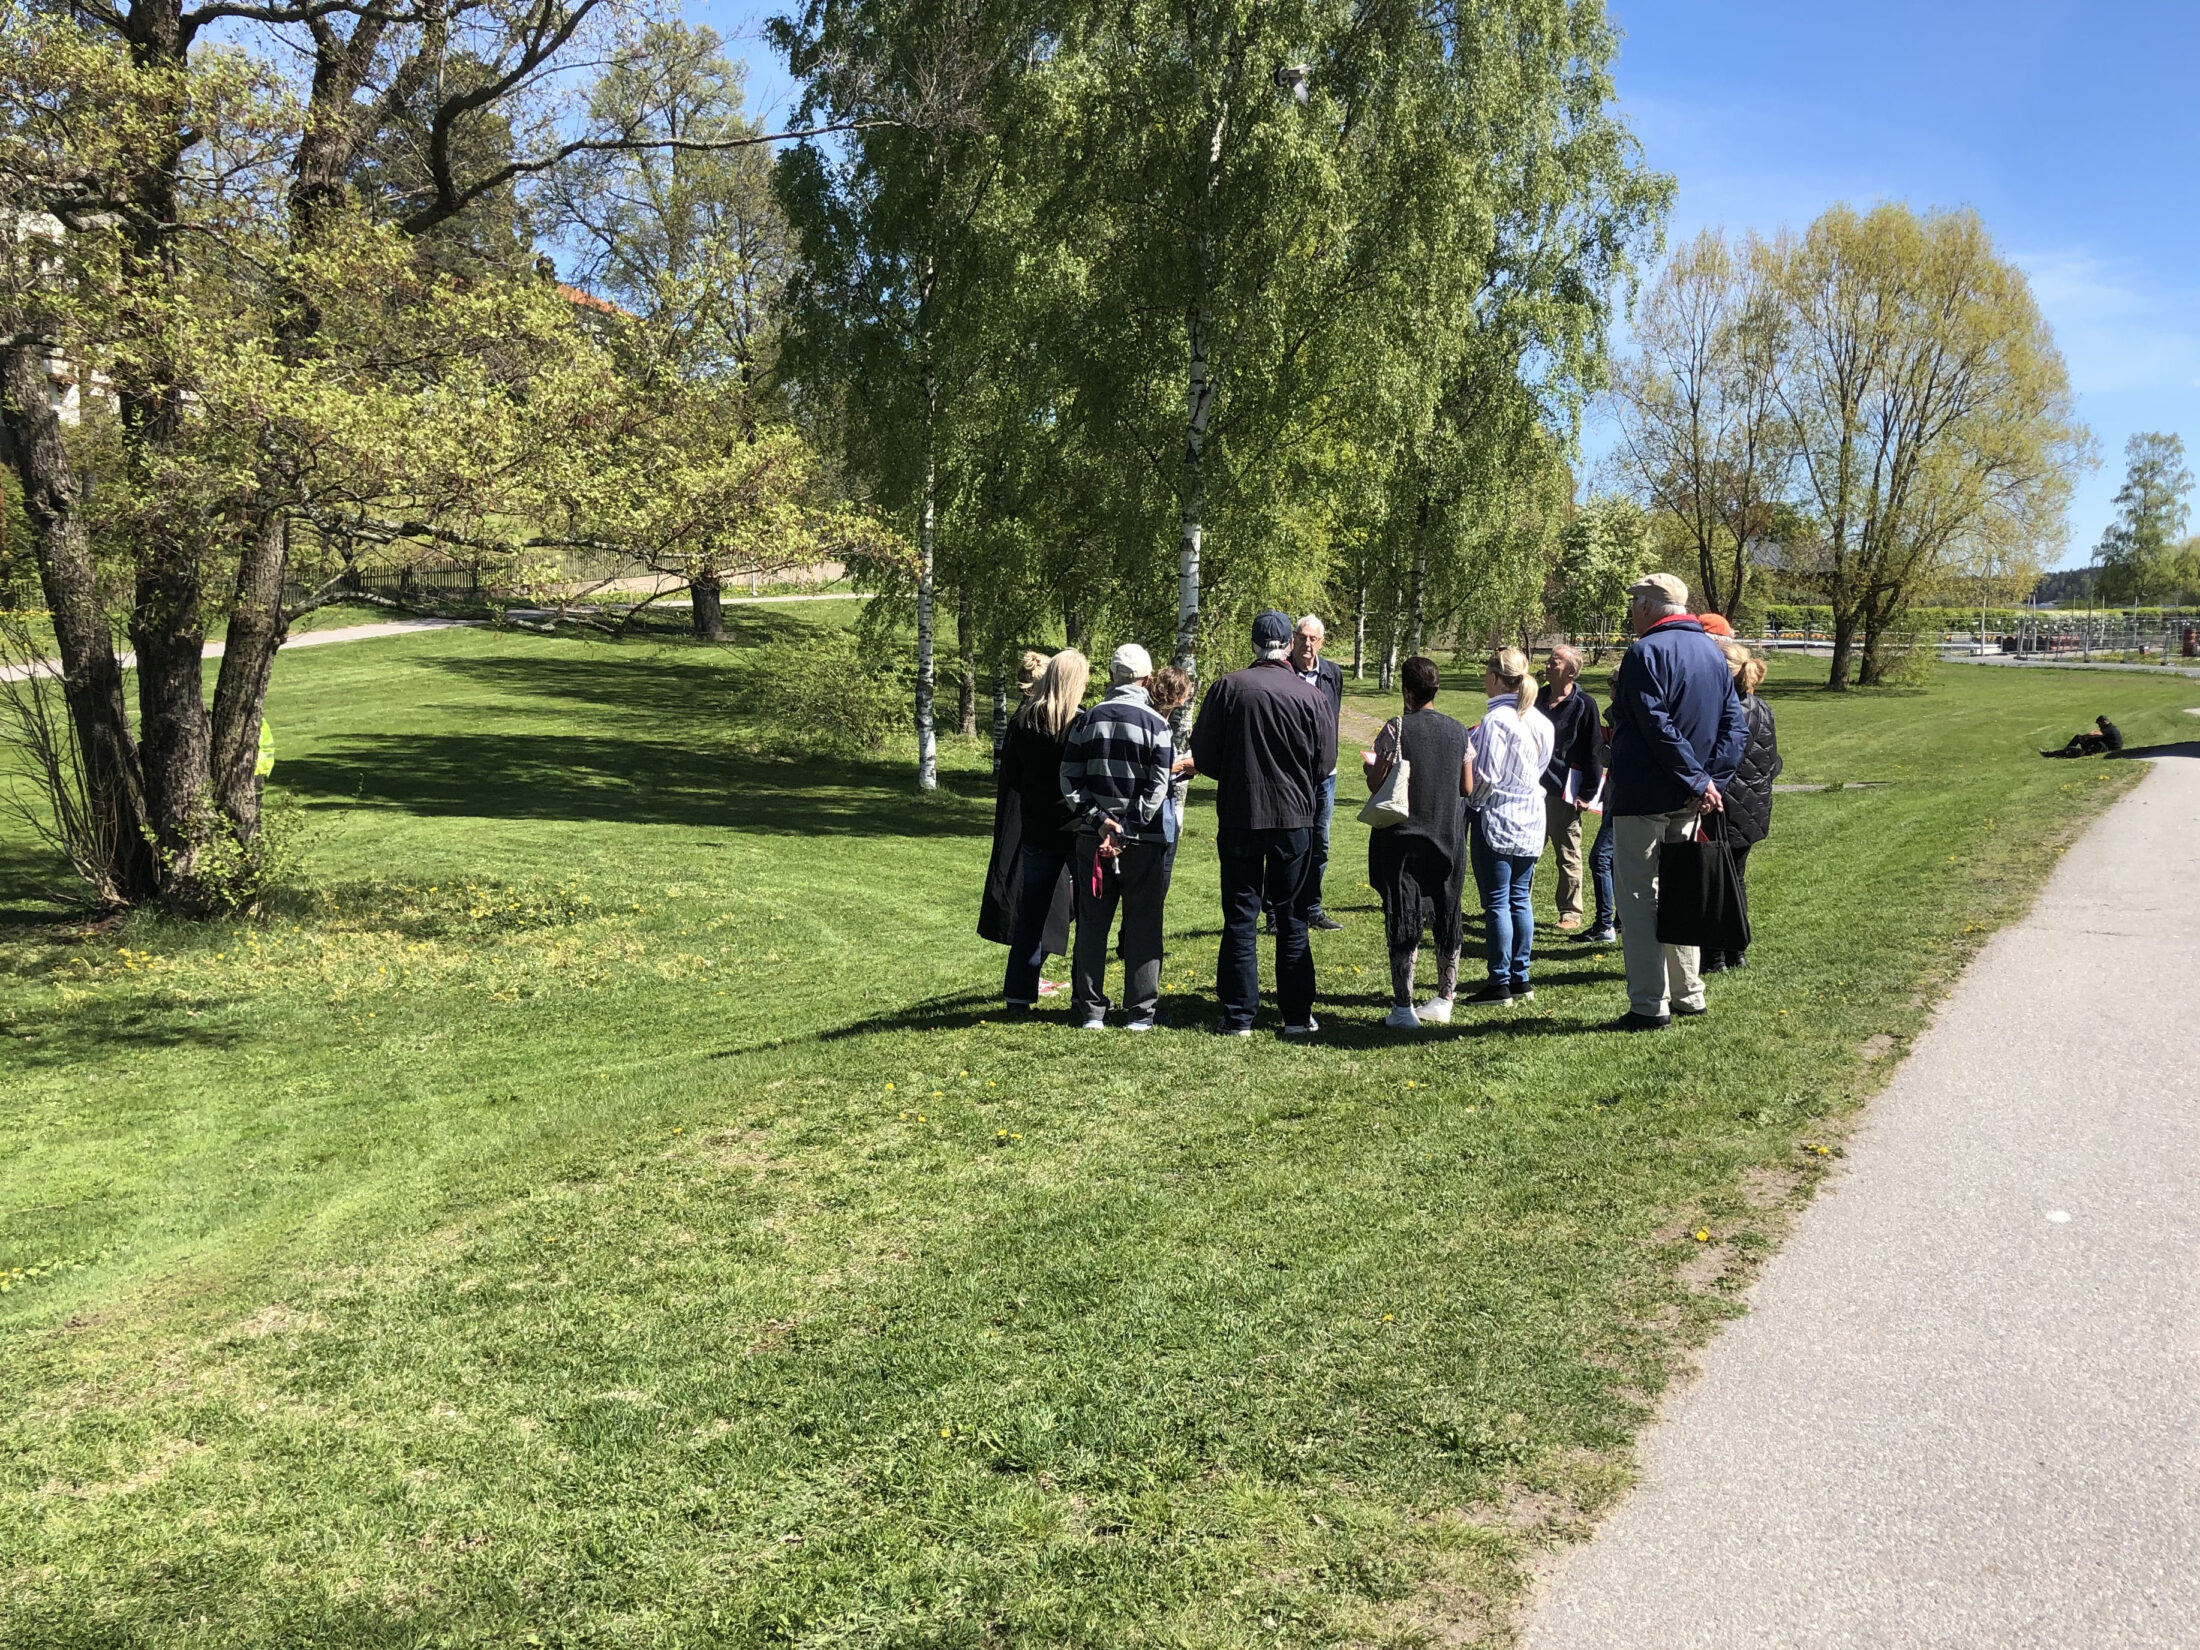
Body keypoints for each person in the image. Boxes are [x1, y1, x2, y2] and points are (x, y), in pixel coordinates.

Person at [1605, 573, 1747, 1031]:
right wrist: (1710, 782)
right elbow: (1735, 727)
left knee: (1639, 897)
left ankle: (1649, 1004)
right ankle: (1689, 993)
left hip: (1646, 794)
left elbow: (1655, 725)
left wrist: (1699, 779)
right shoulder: (1711, 650)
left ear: (1649, 606)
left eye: (1635, 603)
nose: (1631, 611)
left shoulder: (1644, 652)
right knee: (1679, 891)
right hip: (1689, 797)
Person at [1188, 610, 1337, 1037]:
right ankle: (1294, 1016)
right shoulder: (1310, 696)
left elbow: (1206, 756)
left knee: (1240, 915)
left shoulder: (1228, 688)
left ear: (1253, 645)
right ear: (1289, 644)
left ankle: (1238, 1016)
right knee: (1291, 916)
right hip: (1293, 818)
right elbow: (1324, 764)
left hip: (1241, 814)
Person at [1059, 644, 1177, 1031]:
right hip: (1144, 841)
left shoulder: (1085, 721)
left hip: (1094, 838)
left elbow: (1070, 780)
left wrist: (1101, 820)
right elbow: (1159, 785)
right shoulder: (1157, 725)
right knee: (1144, 923)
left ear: (1112, 677)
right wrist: (1129, 824)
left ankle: (1092, 1010)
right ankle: (1140, 1013)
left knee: (1092, 924)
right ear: (1146, 678)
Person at [1361, 656, 1472, 1029]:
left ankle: (1403, 1005)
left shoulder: (1397, 728)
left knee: (1403, 917)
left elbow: (1378, 782)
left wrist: (1369, 769)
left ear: (1406, 691)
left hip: (1404, 837)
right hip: (1447, 833)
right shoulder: (1459, 730)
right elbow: (1467, 786)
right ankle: (1445, 996)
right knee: (1447, 914)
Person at [994, 649, 1089, 1015]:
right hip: (1076, 827)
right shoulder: (1080, 723)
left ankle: (1018, 994)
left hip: (1036, 829)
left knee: (1031, 914)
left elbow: (1013, 777)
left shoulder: (1023, 722)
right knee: (1088, 914)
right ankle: (1084, 995)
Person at [1464, 648, 1556, 1007]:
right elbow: (1541, 766)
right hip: (1532, 814)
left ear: (1494, 677)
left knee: (1498, 902)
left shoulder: (1496, 721)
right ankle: (1521, 976)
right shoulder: (1541, 721)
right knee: (1520, 897)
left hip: (1499, 814)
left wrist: (1473, 801)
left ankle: (1500, 981)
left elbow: (1486, 774)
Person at [1706, 639, 1782, 974]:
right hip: (1754, 804)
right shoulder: (1762, 708)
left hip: (1723, 804)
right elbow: (1773, 761)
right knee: (1736, 878)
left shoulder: (1717, 709)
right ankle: (1737, 950)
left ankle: (1715, 955)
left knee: (1713, 882)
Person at [1267, 615, 1346, 932]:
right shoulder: (1281, 672)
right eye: (1302, 638)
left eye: (1313, 639)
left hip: (1324, 774)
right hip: (1288, 776)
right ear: (1292, 640)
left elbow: (1333, 720)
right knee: (1282, 842)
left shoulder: (1331, 674)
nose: (1307, 644)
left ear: (1322, 642)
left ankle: (1312, 907)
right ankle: (1274, 912)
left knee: (1319, 842)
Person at [1535, 644, 1603, 932]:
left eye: (1556, 661)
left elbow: (1593, 751)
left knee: (1568, 855)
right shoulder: (1537, 698)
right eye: (1549, 660)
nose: (1549, 665)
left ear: (1572, 671)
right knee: (1529, 853)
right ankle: (1515, 904)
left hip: (1565, 791)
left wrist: (1587, 793)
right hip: (1534, 790)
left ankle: (1571, 913)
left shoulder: (1584, 704)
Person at [2042, 715, 2124, 758]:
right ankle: (2067, 751)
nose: (2099, 726)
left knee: (2082, 738)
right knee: (2080, 738)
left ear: (2103, 722)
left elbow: (2094, 734)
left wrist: (2085, 736)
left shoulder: (2109, 728)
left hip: (2110, 750)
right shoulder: (2110, 728)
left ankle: (2061, 752)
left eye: (2099, 724)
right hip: (2108, 748)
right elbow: (2096, 733)